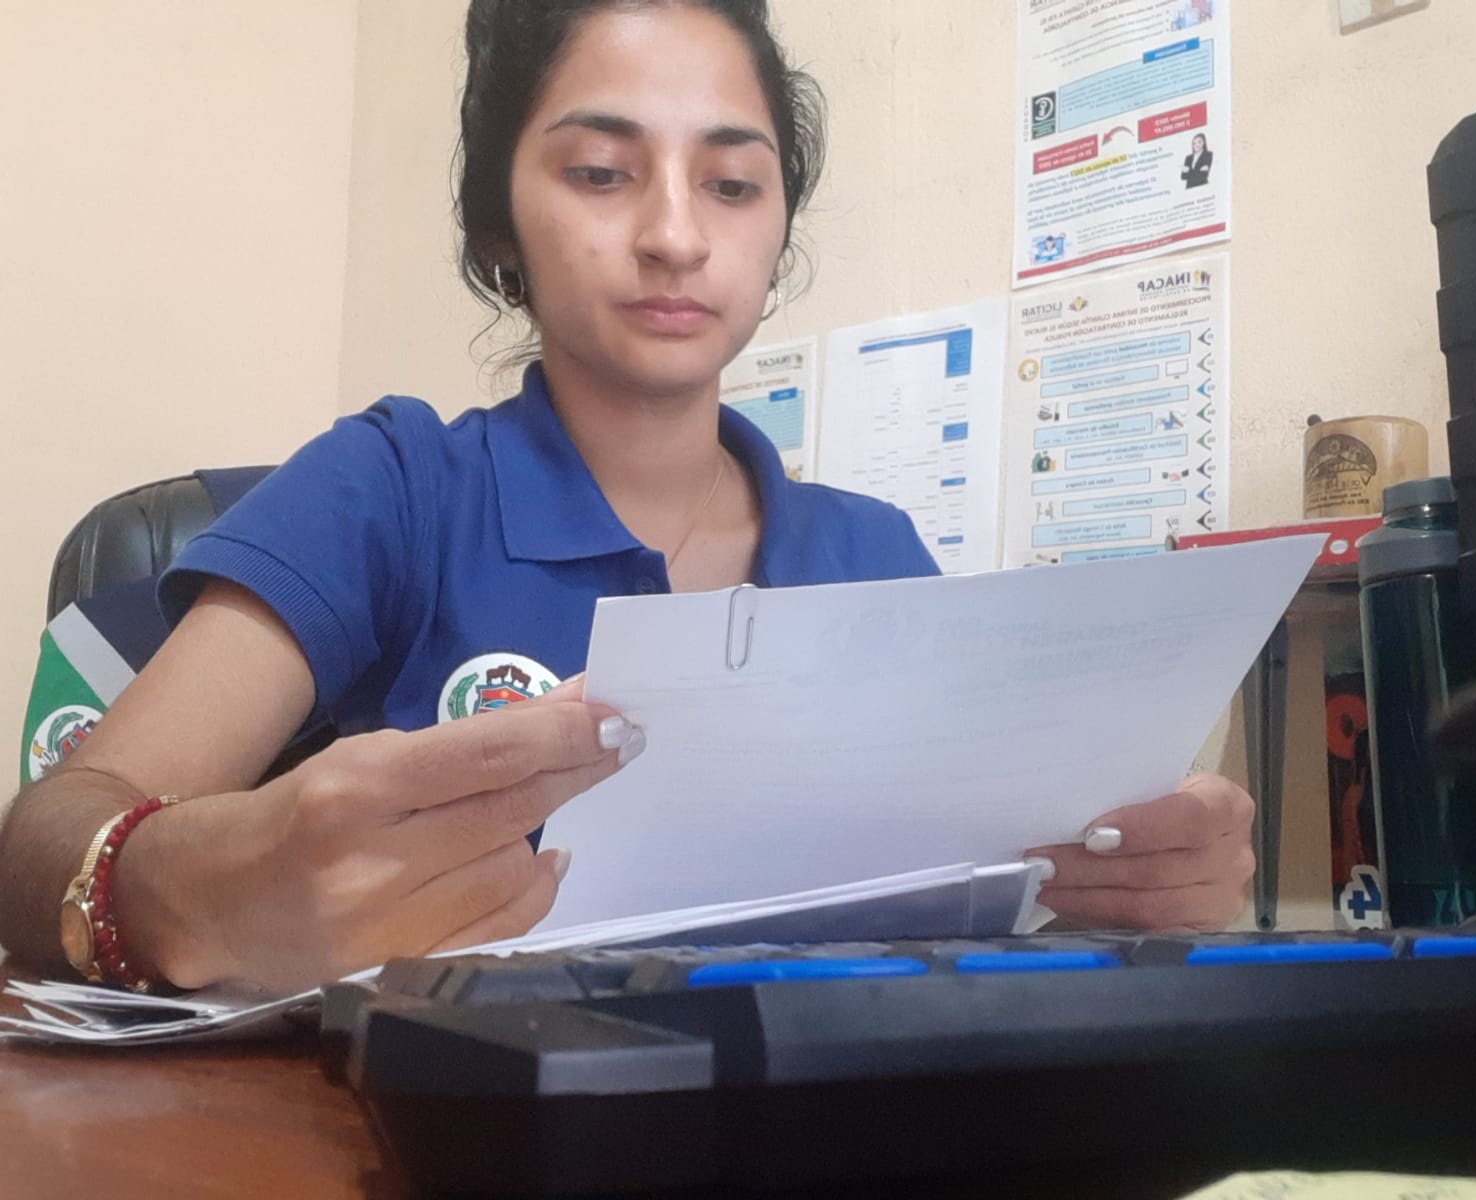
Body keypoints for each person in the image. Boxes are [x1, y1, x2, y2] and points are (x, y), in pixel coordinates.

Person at [0, 0, 1255, 995]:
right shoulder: (394, 485)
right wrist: (198, 889)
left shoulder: (873, 551)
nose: (674, 235)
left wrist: (1135, 885)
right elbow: (49, 836)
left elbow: (976, 908)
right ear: (500, 222)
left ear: (778, 226)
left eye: (732, 183)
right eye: (602, 172)